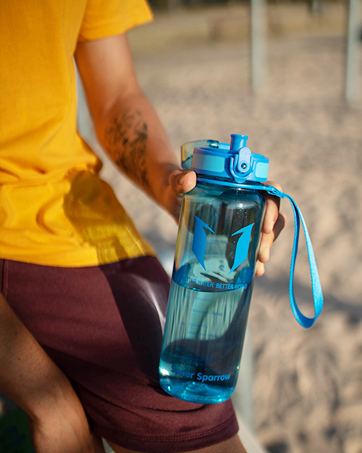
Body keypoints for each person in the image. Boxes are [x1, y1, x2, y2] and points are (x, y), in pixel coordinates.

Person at [0, 1, 286, 452]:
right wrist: (46, 396)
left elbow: (116, 97)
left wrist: (178, 191)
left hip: (80, 214)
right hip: (11, 236)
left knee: (204, 425)